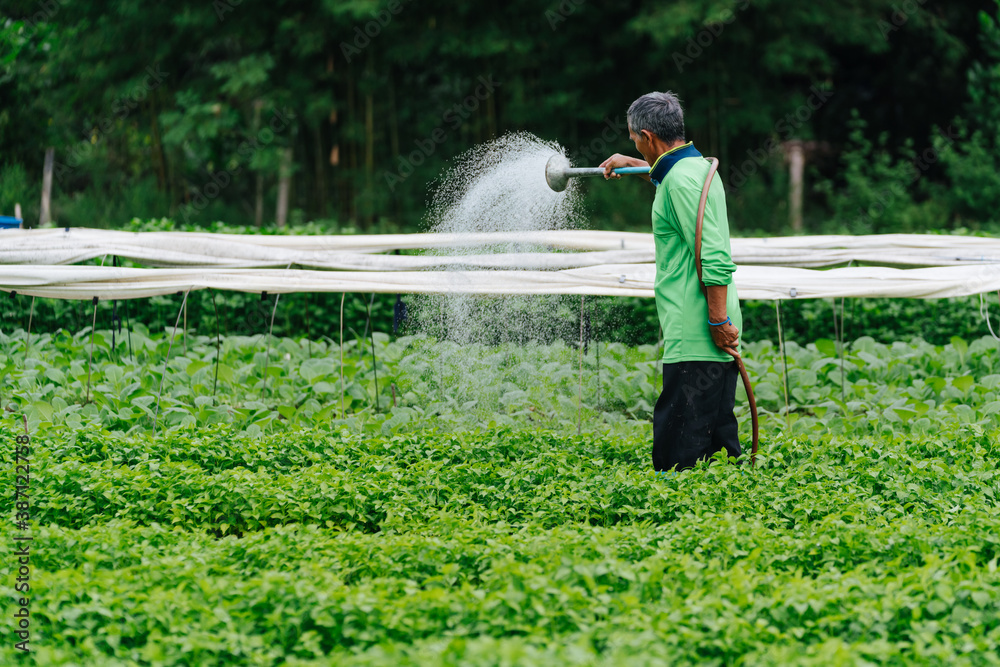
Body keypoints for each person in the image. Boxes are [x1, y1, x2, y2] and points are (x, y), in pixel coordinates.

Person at [601, 91, 744, 472]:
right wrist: (633, 161)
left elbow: (712, 254)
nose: (636, 146)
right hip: (711, 326)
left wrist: (715, 321)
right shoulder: (696, 168)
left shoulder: (680, 182)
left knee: (679, 455)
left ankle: (687, 528)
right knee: (716, 448)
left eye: (635, 141)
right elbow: (672, 182)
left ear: (647, 136)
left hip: (698, 328)